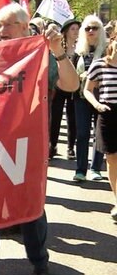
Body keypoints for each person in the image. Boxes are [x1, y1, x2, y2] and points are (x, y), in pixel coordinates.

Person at [0, 3, 79, 275]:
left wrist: (57, 52)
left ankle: (39, 262)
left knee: (30, 209)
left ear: (24, 26)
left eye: (7, 24)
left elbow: (71, 85)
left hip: (27, 147)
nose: (0, 30)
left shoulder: (40, 55)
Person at [83, 37, 117, 221]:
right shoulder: (99, 65)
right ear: (113, 39)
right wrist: (97, 105)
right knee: (111, 159)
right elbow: (87, 89)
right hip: (107, 113)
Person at [73, 15, 107, 182]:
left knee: (99, 133)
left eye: (95, 28)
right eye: (87, 28)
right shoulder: (78, 52)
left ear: (101, 30)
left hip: (102, 97)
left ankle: (95, 168)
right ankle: (80, 170)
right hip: (81, 97)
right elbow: (70, 75)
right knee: (82, 133)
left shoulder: (108, 50)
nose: (91, 31)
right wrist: (81, 77)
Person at [50, 18, 80, 160]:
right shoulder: (57, 46)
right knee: (55, 117)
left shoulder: (81, 48)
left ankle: (70, 147)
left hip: (74, 87)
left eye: (77, 29)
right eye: (73, 29)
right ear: (66, 32)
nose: (76, 31)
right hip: (58, 87)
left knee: (72, 117)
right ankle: (52, 145)